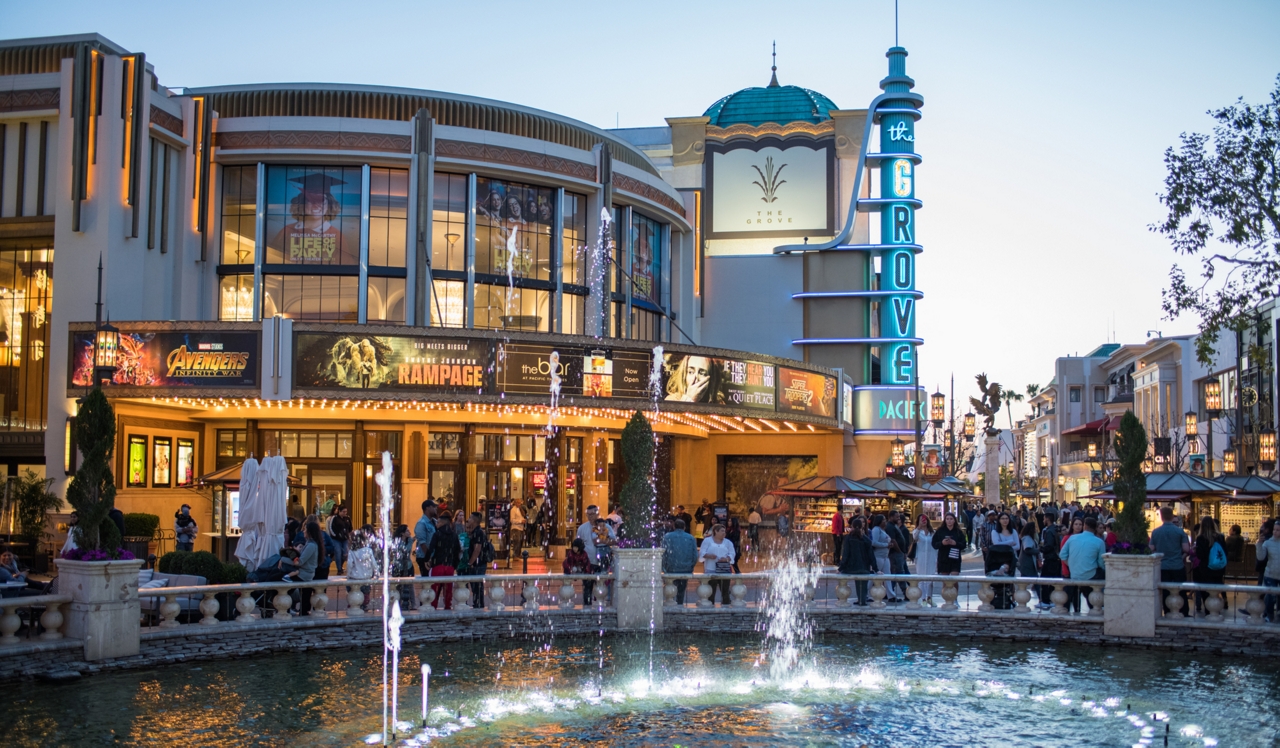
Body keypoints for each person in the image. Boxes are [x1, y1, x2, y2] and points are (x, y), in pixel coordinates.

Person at [1059, 516, 1106, 614]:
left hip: (1074, 573)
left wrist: (1071, 564)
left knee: (1084, 590)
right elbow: (1101, 563)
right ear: (1096, 528)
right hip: (1090, 575)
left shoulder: (1072, 538)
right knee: (1103, 575)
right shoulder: (1100, 542)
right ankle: (1098, 606)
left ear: (1084, 526)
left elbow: (1062, 555)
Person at [1150, 506, 1191, 616]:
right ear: (1172, 516)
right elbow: (1186, 549)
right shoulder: (1179, 532)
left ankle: (1167, 611)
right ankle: (1184, 612)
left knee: (1165, 591)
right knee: (1181, 590)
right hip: (1177, 565)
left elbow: (1151, 548)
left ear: (1162, 517)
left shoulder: (1155, 532)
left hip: (1163, 566)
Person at [283, 521, 321, 615]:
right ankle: (299, 610)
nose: (303, 531)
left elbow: (300, 562)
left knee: (285, 585)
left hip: (304, 574)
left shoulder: (311, 545)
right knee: (303, 593)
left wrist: (283, 559)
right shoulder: (310, 543)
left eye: (305, 530)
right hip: (305, 572)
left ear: (309, 532)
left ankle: (286, 609)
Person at [1192, 516, 1227, 616]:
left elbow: (1200, 555)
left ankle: (1208, 612)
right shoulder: (1220, 537)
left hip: (1205, 569)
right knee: (1216, 592)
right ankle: (1216, 611)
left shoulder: (1200, 538)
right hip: (1219, 569)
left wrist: (1196, 550)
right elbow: (1225, 552)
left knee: (1206, 593)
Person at [425, 514, 461, 610]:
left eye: (438, 522)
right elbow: (457, 551)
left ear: (441, 523)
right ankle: (447, 606)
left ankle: (433, 606)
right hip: (449, 566)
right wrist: (455, 565)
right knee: (448, 588)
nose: (436, 524)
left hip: (438, 565)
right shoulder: (454, 535)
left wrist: (427, 560)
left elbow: (431, 549)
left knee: (434, 588)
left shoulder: (437, 534)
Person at [838, 518, 876, 605]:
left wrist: (840, 568)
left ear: (852, 527)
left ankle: (845, 599)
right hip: (864, 568)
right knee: (863, 585)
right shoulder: (866, 540)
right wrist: (876, 569)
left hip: (851, 568)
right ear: (862, 527)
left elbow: (845, 555)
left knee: (843, 583)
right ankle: (862, 600)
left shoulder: (848, 538)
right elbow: (871, 556)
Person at [661, 519, 698, 604]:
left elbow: (663, 552)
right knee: (681, 590)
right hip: (685, 568)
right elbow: (695, 555)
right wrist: (691, 566)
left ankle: (671, 604)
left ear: (674, 526)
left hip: (671, 567)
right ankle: (680, 604)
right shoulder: (690, 538)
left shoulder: (667, 537)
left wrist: (664, 567)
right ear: (684, 527)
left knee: (670, 589)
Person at [987, 513, 1020, 609]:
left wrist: (1004, 546)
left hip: (1011, 558)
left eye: (1007, 518)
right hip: (998, 559)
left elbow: (1017, 546)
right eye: (1002, 518)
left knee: (1011, 578)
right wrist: (1009, 543)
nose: (1005, 520)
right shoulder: (995, 532)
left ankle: (1013, 600)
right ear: (999, 520)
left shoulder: (1013, 531)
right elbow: (996, 544)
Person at [699, 524, 735, 605]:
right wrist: (709, 555)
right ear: (715, 531)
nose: (724, 533)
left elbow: (732, 553)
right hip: (711, 569)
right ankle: (711, 608)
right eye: (722, 531)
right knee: (711, 592)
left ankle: (726, 608)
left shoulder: (728, 542)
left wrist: (726, 559)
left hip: (724, 570)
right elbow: (702, 552)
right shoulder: (707, 541)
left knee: (725, 591)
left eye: (725, 531)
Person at [885, 511, 910, 602]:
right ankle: (905, 593)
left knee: (897, 573)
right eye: (896, 517)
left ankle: (889, 593)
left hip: (898, 553)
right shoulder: (890, 526)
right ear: (891, 517)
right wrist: (900, 551)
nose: (898, 518)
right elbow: (893, 540)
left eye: (899, 517)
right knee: (899, 573)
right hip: (895, 553)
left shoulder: (894, 525)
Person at [911, 515, 937, 604]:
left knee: (930, 578)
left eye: (925, 519)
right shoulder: (917, 531)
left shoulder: (932, 533)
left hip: (931, 557)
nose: (923, 521)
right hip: (921, 557)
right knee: (921, 578)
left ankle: (929, 597)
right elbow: (915, 537)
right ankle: (923, 599)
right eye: (921, 520)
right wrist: (919, 527)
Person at [1257, 522, 1280, 622]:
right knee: (1271, 596)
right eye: (1274, 529)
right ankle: (1268, 614)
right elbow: (1261, 557)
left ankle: (1278, 614)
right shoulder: (1268, 542)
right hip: (1270, 573)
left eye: (1278, 530)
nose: (1275, 532)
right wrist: (1259, 544)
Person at [1038, 517, 1062, 609]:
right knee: (1053, 580)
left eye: (1044, 518)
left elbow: (1049, 546)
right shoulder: (1054, 529)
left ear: (1047, 519)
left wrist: (1041, 549)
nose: (1043, 520)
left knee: (1044, 580)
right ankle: (1051, 599)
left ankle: (1046, 600)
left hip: (1050, 558)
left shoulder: (1049, 531)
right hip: (1055, 558)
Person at [564, 538, 596, 606]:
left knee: (587, 585)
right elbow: (569, 564)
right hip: (573, 569)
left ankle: (587, 602)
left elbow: (587, 564)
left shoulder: (584, 554)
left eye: (576, 547)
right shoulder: (570, 554)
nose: (574, 549)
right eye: (574, 547)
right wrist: (571, 572)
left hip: (582, 569)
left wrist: (587, 574)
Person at [870, 514, 894, 600]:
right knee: (874, 575)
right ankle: (865, 594)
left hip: (885, 556)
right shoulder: (876, 530)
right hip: (878, 556)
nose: (885, 521)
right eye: (883, 520)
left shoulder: (883, 530)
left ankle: (891, 595)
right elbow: (874, 542)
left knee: (888, 576)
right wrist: (886, 545)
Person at [1016, 522, 1042, 599]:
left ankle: (1018, 597)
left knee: (1023, 583)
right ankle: (1041, 599)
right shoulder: (1027, 538)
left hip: (1026, 564)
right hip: (1028, 564)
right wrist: (1038, 550)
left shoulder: (1027, 537)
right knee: (1036, 582)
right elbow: (1027, 549)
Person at [414, 500, 437, 577]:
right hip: (424, 557)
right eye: (433, 507)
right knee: (427, 581)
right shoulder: (421, 523)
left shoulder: (435, 521)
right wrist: (428, 558)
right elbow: (422, 543)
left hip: (434, 557)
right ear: (427, 508)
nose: (435, 509)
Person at [329, 505, 352, 575]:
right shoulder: (334, 518)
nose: (345, 513)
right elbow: (331, 527)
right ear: (339, 511)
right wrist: (335, 535)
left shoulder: (347, 518)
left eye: (346, 512)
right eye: (343, 512)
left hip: (345, 538)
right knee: (338, 552)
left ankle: (341, 566)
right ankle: (339, 568)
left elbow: (350, 527)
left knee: (345, 553)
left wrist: (348, 534)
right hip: (336, 539)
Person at [508, 500, 526, 568]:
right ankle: (515, 555)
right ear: (515, 503)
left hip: (521, 528)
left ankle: (518, 554)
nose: (520, 504)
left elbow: (522, 516)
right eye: (518, 502)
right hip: (515, 527)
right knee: (517, 541)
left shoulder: (520, 509)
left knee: (520, 541)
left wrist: (523, 520)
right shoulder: (513, 510)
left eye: (520, 503)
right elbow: (512, 520)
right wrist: (520, 521)